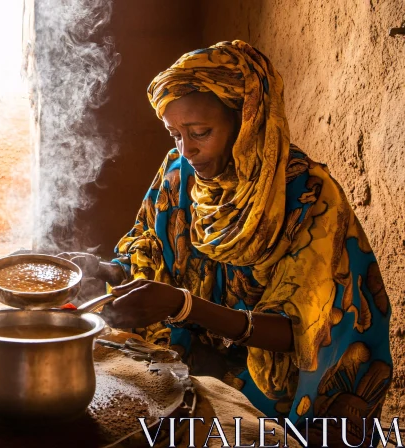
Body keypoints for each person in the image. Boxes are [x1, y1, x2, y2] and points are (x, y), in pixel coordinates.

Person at [66, 40, 391, 443]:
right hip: (191, 360)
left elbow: (308, 329)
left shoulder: (308, 196)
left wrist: (185, 306)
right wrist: (106, 269)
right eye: (174, 134)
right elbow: (150, 251)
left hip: (277, 390)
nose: (187, 150)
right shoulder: (178, 173)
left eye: (201, 132)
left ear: (247, 120)